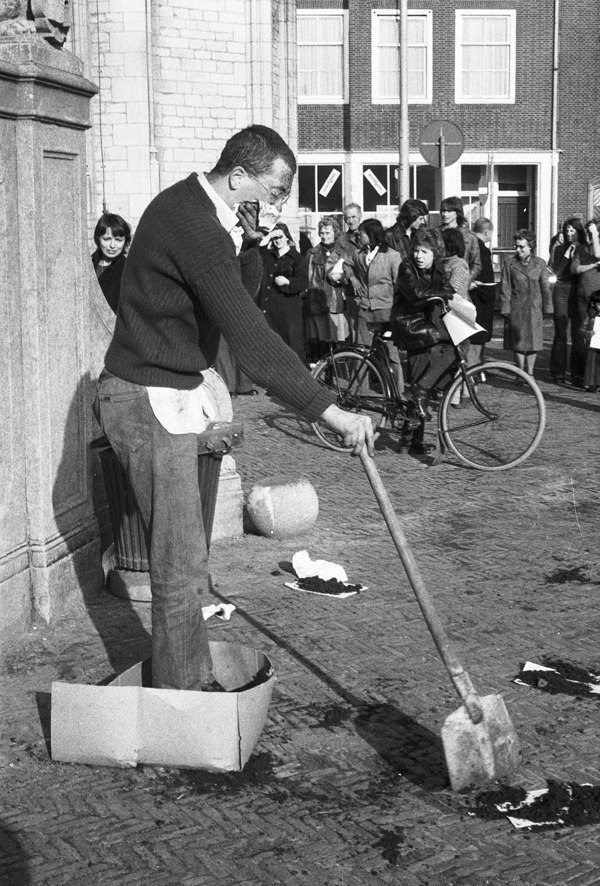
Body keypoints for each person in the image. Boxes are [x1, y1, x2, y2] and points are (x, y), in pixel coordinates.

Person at [94, 125, 374, 693]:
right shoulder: (196, 225)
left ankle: (189, 677)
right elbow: (252, 339)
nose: (273, 205)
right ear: (238, 175)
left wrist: (247, 242)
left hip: (167, 392)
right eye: (271, 192)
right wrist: (331, 411)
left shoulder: (196, 209)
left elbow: (228, 307)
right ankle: (183, 703)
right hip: (146, 399)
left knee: (187, 559)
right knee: (177, 564)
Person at [392, 227, 455, 448]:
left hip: (426, 323)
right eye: (417, 250)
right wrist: (445, 295)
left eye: (425, 252)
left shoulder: (438, 269)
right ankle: (410, 440)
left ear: (435, 253)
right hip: (409, 323)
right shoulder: (406, 266)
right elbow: (416, 293)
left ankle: (409, 439)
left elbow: (448, 289)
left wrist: (455, 299)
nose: (418, 256)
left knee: (454, 348)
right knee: (422, 375)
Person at [343, 218, 403, 391]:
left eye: (360, 233)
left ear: (371, 234)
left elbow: (399, 285)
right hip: (364, 309)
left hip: (385, 311)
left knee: (391, 354)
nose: (358, 236)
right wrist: (353, 279)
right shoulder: (359, 253)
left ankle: (397, 393)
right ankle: (358, 394)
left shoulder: (392, 255)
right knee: (360, 352)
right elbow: (347, 265)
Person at [500, 229, 553, 379]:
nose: (518, 250)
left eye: (521, 247)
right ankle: (520, 372)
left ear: (531, 246)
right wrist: (505, 309)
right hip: (516, 307)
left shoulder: (540, 263)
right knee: (518, 341)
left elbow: (546, 287)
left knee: (533, 341)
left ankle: (530, 373)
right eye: (516, 246)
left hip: (535, 308)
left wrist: (548, 308)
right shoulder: (509, 264)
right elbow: (505, 287)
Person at [258, 222, 308, 363]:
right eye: (275, 238)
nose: (278, 240)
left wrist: (288, 282)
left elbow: (304, 282)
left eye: (280, 237)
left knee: (291, 346)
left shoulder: (296, 258)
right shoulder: (268, 256)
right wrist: (268, 237)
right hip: (270, 309)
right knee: (272, 346)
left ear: (287, 238)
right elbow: (256, 253)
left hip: (288, 310)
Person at [304, 216, 349, 363]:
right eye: (322, 233)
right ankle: (319, 375)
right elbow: (305, 276)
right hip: (315, 302)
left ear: (335, 233)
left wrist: (341, 278)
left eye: (328, 232)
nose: (324, 236)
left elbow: (351, 275)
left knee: (335, 341)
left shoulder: (343, 253)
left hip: (335, 302)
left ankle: (333, 375)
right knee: (317, 341)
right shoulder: (312, 253)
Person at [549, 217, 587, 386]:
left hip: (578, 290)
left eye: (573, 231)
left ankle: (577, 373)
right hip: (562, 290)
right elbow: (557, 271)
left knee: (578, 333)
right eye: (567, 231)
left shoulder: (586, 249)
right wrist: (567, 252)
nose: (569, 234)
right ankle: (558, 372)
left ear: (579, 232)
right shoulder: (558, 249)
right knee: (561, 333)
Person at [570, 219, 600, 385]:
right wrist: (593, 266)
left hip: (598, 299)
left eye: (592, 233)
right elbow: (575, 269)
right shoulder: (580, 248)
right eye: (588, 233)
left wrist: (595, 234)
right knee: (582, 335)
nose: (588, 236)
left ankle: (596, 377)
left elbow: (598, 254)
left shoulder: (597, 247)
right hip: (583, 296)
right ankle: (580, 374)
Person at [468, 218, 496, 366]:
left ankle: (479, 365)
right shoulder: (479, 249)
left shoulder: (474, 245)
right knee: (477, 336)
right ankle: (474, 369)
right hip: (479, 299)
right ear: (487, 232)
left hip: (479, 298)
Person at [91, 212, 132, 313]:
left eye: (118, 240)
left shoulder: (127, 270)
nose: (112, 245)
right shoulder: (89, 264)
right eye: (107, 239)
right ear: (98, 239)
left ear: (125, 242)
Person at [439, 196, 482, 286]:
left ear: (457, 213)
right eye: (443, 211)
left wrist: (466, 279)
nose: (445, 214)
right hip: (439, 283)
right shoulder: (435, 234)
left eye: (449, 211)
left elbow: (476, 264)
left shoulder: (469, 236)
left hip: (461, 285)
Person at [582, 293, 600, 392]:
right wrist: (588, 333)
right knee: (591, 363)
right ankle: (589, 383)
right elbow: (581, 329)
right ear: (593, 304)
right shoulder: (589, 315)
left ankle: (598, 383)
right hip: (593, 344)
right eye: (599, 304)